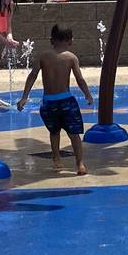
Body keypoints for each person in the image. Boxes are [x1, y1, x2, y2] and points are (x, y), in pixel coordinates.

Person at [17, 25, 95, 175]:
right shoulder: (71, 57)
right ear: (70, 41)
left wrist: (24, 97)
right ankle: (79, 164)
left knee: (54, 132)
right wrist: (88, 95)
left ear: (51, 39)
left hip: (48, 103)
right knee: (74, 134)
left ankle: (57, 159)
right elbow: (80, 79)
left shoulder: (43, 56)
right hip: (66, 101)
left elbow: (32, 75)